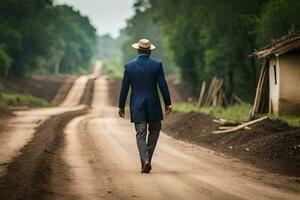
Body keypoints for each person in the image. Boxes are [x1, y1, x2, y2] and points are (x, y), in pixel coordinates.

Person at [118, 39, 172, 173]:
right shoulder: (157, 65)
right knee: (155, 130)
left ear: (138, 50)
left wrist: (121, 106)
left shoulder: (129, 67)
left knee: (140, 133)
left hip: (137, 105)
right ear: (149, 51)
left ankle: (145, 160)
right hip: (153, 104)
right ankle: (147, 159)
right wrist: (168, 103)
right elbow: (163, 85)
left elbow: (124, 87)